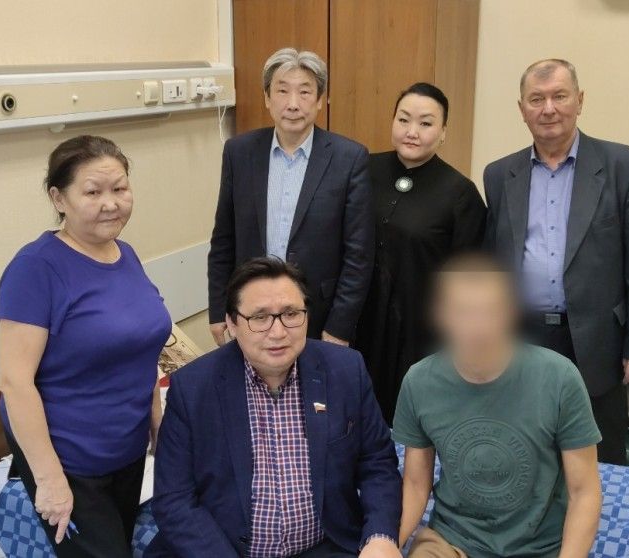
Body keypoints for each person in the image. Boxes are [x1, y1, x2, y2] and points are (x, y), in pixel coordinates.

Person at [149, 257, 402, 558]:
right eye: (260, 317)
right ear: (232, 323)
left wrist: (380, 536)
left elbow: (377, 464)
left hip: (324, 547)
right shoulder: (192, 388)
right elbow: (174, 499)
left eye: (291, 314)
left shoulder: (346, 370)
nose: (278, 332)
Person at [0, 135, 172, 556]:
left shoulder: (125, 255)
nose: (110, 203)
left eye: (120, 188)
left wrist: (157, 425)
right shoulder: (35, 268)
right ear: (59, 198)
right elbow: (14, 382)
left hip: (125, 450)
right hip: (70, 459)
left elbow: (140, 349)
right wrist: (50, 480)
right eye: (92, 192)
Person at [483, 58, 629, 464]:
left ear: (580, 101)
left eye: (559, 96)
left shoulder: (626, 168)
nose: (548, 108)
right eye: (536, 99)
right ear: (521, 109)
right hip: (523, 335)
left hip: (595, 339)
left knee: (598, 457)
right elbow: (493, 261)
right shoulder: (499, 175)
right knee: (524, 448)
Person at [394, 252, 602, 558]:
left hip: (539, 548)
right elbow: (414, 483)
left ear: (511, 313)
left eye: (490, 312)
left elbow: (584, 491)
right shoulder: (419, 382)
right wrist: (388, 542)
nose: (477, 327)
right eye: (463, 312)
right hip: (451, 540)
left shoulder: (560, 378)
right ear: (441, 316)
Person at [207, 47, 374, 348]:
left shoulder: (349, 158)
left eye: (305, 92)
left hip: (319, 313)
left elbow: (358, 256)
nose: (293, 104)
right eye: (282, 91)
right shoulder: (239, 152)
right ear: (267, 98)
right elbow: (223, 240)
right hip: (251, 311)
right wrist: (219, 310)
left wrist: (340, 326)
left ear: (320, 100)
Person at [355, 82, 486, 424]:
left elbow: (469, 280)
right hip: (359, 323)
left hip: (419, 333)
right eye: (403, 120)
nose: (412, 132)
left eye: (426, 123)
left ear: (443, 132)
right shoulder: (363, 169)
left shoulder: (460, 194)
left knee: (410, 423)